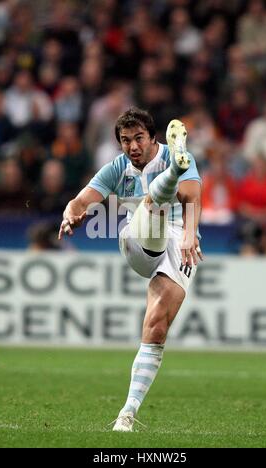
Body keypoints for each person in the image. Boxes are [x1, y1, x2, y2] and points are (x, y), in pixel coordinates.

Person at [58, 107, 203, 431]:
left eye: (138, 138)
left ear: (153, 138)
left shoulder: (180, 155)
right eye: (125, 140)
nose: (132, 146)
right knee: (153, 204)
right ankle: (168, 181)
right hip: (137, 240)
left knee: (156, 326)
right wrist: (71, 215)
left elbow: (192, 198)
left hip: (179, 240)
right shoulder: (116, 168)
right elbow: (79, 202)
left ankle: (127, 413)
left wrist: (191, 234)